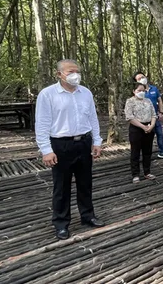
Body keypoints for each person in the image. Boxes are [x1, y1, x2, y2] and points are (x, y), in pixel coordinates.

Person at [35, 59, 105, 240]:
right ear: (59, 74)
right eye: (70, 71)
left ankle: (88, 215)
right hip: (60, 144)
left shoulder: (86, 93)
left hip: (83, 142)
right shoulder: (48, 94)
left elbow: (93, 119)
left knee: (85, 182)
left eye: (77, 71)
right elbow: (41, 124)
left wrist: (96, 141)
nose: (75, 75)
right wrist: (46, 149)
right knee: (61, 186)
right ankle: (61, 223)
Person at [133, 72, 163, 160]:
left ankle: (162, 152)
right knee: (144, 137)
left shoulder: (154, 89)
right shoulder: (139, 92)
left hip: (156, 117)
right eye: (138, 79)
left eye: (142, 77)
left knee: (160, 134)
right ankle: (142, 155)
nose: (141, 79)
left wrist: (161, 112)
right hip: (144, 119)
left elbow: (160, 100)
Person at [124, 83, 158, 183]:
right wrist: (142, 126)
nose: (141, 92)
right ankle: (135, 174)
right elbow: (129, 117)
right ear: (134, 91)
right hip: (136, 129)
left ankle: (147, 172)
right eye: (139, 91)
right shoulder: (130, 101)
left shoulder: (148, 101)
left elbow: (154, 114)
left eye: (143, 90)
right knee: (135, 151)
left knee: (147, 151)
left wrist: (151, 126)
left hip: (149, 128)